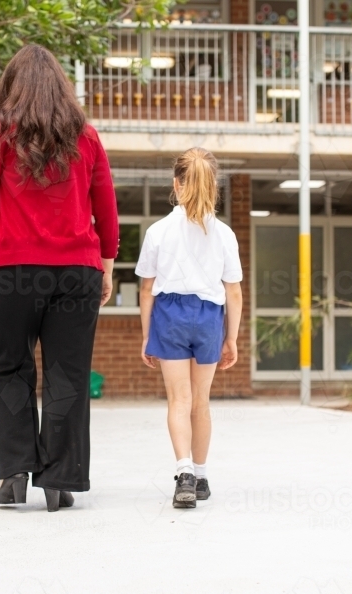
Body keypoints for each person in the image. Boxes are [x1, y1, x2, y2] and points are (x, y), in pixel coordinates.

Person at [0, 44, 119, 513]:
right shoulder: (85, 136)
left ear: (12, 85)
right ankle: (58, 480)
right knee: (66, 372)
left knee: (11, 366)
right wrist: (107, 265)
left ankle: (14, 472)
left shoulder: (0, 134)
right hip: (76, 271)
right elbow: (106, 205)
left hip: (12, 270)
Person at [135, 148, 243, 509]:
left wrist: (148, 335)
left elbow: (147, 289)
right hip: (210, 316)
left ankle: (183, 473)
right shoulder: (225, 234)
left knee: (179, 400)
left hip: (170, 315)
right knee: (201, 402)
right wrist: (232, 338)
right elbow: (234, 292)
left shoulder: (158, 231)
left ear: (176, 184)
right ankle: (201, 475)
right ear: (213, 186)